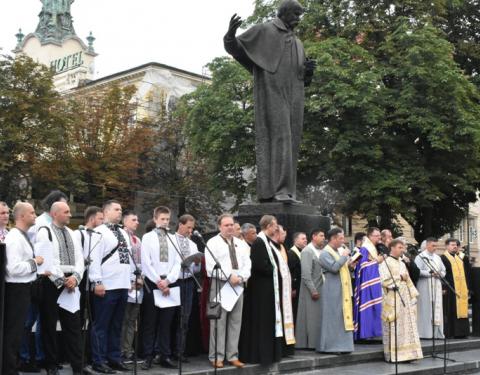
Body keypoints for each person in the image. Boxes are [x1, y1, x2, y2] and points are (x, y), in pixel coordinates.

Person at [224, 0, 316, 202]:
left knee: (292, 141)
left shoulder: (299, 43)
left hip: (295, 97)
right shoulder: (265, 30)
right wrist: (230, 35)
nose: (298, 19)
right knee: (280, 136)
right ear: (284, 13)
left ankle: (287, 191)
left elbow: (302, 78)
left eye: (300, 15)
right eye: (295, 14)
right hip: (272, 92)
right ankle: (277, 190)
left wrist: (308, 71)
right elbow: (236, 48)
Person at [36, 202, 85, 375]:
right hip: (52, 283)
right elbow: (47, 260)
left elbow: (80, 258)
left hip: (71, 282)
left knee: (73, 325)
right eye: (66, 212)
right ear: (55, 214)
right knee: (49, 325)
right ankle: (51, 364)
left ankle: (77, 366)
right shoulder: (44, 231)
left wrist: (75, 278)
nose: (70, 215)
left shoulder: (73, 234)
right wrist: (62, 280)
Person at [240, 215, 293, 366]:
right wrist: (274, 270)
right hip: (260, 290)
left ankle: (270, 354)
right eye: (275, 225)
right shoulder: (259, 242)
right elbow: (259, 264)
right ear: (268, 226)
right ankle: (260, 355)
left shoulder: (268, 242)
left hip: (269, 290)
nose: (276, 228)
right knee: (261, 322)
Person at [89, 200, 134, 374]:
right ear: (106, 211)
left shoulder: (123, 232)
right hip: (106, 285)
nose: (119, 212)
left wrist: (130, 279)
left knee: (117, 325)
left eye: (121, 210)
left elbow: (127, 258)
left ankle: (114, 358)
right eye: (116, 209)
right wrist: (97, 281)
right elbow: (94, 258)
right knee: (101, 325)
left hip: (122, 284)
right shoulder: (99, 232)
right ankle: (98, 360)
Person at [205, 214, 251, 369]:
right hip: (220, 285)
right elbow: (211, 267)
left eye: (232, 224)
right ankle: (216, 356)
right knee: (218, 322)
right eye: (226, 225)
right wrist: (228, 276)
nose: (230, 227)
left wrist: (241, 277)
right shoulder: (213, 243)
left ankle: (232, 355)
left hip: (238, 285)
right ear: (219, 227)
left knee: (235, 322)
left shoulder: (241, 244)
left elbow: (247, 264)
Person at [2, 202, 43, 375]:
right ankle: (9, 369)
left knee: (17, 333)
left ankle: (11, 367)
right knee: (13, 333)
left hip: (24, 289)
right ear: (22, 216)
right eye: (32, 212)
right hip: (16, 290)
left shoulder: (21, 235)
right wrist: (35, 263)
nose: (35, 215)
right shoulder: (14, 238)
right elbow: (12, 268)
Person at [140, 206, 181, 370]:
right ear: (155, 219)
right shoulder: (148, 237)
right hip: (153, 282)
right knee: (151, 321)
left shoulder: (173, 238)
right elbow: (146, 262)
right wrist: (158, 280)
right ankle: (148, 355)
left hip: (169, 283)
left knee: (166, 322)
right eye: (162, 219)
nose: (165, 222)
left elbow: (178, 262)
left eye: (167, 219)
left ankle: (164, 354)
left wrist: (169, 280)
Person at [379, 239, 423, 363]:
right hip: (393, 298)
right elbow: (383, 280)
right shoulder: (385, 263)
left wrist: (413, 294)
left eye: (403, 248)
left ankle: (407, 354)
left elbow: (408, 279)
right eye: (400, 247)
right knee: (395, 326)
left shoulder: (402, 263)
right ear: (392, 248)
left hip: (405, 299)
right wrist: (399, 277)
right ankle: (395, 355)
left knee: (406, 326)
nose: (402, 250)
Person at [316, 228, 355, 353]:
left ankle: (343, 345)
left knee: (342, 316)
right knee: (333, 317)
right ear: (333, 238)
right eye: (341, 238)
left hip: (341, 288)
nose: (343, 241)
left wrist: (350, 266)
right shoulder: (324, 254)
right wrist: (344, 257)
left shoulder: (337, 252)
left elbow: (341, 267)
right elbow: (333, 268)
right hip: (332, 289)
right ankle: (331, 346)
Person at [173, 214, 201, 362]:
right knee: (171, 317)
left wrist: (196, 263)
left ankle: (180, 350)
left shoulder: (192, 244)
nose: (190, 231)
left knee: (185, 317)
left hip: (188, 281)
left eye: (192, 228)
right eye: (188, 227)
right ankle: (165, 351)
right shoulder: (171, 239)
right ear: (180, 225)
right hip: (174, 281)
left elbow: (197, 269)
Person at [73, 206, 104, 328]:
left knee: (94, 315)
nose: (103, 221)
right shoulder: (78, 233)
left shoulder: (100, 236)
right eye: (100, 218)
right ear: (92, 219)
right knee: (79, 312)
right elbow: (77, 255)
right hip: (82, 276)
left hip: (95, 278)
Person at [120, 210, 143, 363]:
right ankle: (120, 350)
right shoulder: (121, 237)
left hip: (137, 285)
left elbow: (141, 262)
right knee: (123, 319)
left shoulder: (137, 240)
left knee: (131, 320)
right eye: (134, 219)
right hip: (125, 284)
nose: (137, 222)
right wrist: (128, 282)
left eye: (138, 219)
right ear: (125, 221)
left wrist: (140, 278)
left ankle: (128, 350)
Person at [295, 230, 324, 349]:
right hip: (311, 290)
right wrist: (313, 290)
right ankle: (310, 343)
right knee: (310, 318)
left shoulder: (320, 250)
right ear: (314, 236)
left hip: (320, 288)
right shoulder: (307, 251)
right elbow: (306, 274)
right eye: (321, 236)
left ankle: (317, 342)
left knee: (317, 317)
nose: (323, 238)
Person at [353, 227, 383, 340]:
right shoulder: (365, 249)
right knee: (368, 306)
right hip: (367, 283)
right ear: (370, 236)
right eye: (376, 236)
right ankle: (365, 334)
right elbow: (362, 266)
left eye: (379, 235)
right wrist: (377, 261)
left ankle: (373, 333)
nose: (379, 238)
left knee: (375, 306)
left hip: (373, 281)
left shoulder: (373, 248)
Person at [414, 237, 445, 339]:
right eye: (433, 245)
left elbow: (444, 271)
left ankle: (436, 333)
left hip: (436, 285)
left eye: (436, 246)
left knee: (436, 309)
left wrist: (440, 274)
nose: (435, 248)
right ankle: (425, 333)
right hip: (424, 286)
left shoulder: (437, 257)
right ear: (427, 245)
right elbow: (417, 271)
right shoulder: (420, 257)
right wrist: (430, 273)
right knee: (425, 308)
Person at [441, 238, 470, 338]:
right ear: (446, 246)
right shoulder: (443, 258)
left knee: (462, 310)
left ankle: (462, 333)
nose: (455, 246)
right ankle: (453, 333)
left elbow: (466, 274)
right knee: (452, 310)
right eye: (452, 245)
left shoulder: (459, 259)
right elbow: (443, 274)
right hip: (450, 289)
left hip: (461, 289)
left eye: (456, 245)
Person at [288, 232, 307, 321]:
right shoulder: (291, 254)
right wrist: (293, 288)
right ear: (296, 240)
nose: (306, 240)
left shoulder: (304, 252)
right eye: (303, 238)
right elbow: (291, 272)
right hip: (296, 288)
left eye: (306, 238)